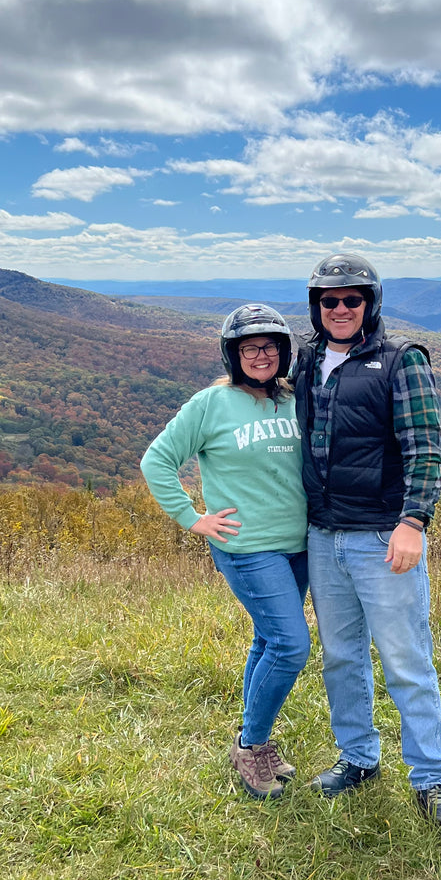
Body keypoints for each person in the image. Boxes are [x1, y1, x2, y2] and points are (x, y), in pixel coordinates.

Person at [295, 254, 441, 827]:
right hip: (323, 535)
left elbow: (425, 447)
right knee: (341, 659)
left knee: (406, 661)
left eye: (352, 299)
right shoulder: (308, 359)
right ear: (316, 306)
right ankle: (359, 758)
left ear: (371, 303)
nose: (340, 309)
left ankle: (432, 779)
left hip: (381, 538)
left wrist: (413, 522)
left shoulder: (401, 361)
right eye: (329, 300)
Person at [140, 305, 309, 801]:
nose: (262, 355)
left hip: (297, 544)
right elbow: (158, 460)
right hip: (247, 547)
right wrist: (193, 518)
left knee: (268, 640)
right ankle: (250, 744)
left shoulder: (294, 398)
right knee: (291, 645)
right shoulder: (210, 404)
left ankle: (252, 737)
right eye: (250, 348)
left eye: (271, 346)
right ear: (233, 354)